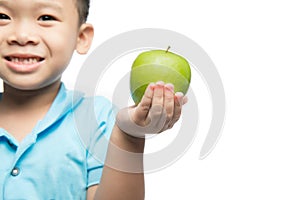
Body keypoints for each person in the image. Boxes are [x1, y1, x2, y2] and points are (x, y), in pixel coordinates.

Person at [0, 0, 187, 199]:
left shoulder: (97, 119)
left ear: (81, 38)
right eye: (3, 17)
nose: (21, 36)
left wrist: (129, 137)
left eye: (46, 18)